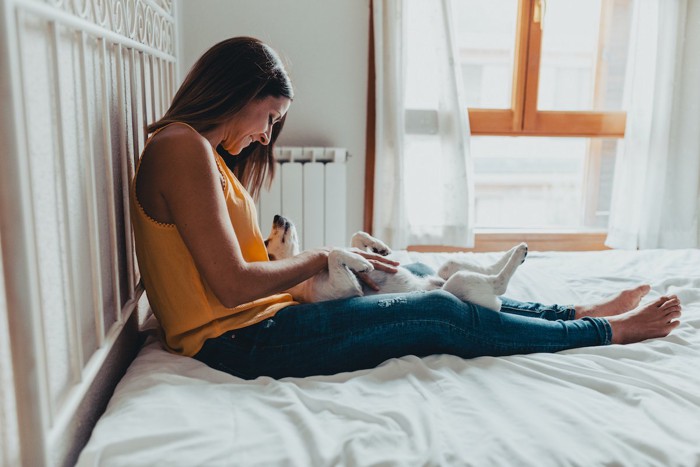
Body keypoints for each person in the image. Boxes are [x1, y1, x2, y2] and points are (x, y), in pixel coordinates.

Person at [131, 36, 682, 380]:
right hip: (238, 342)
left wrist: (335, 271)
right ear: (234, 91)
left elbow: (239, 275)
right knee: (436, 313)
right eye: (268, 116)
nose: (265, 134)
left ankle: (574, 315)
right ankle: (605, 332)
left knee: (417, 276)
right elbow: (231, 286)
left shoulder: (200, 154)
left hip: (262, 322)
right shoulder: (181, 148)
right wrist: (324, 256)